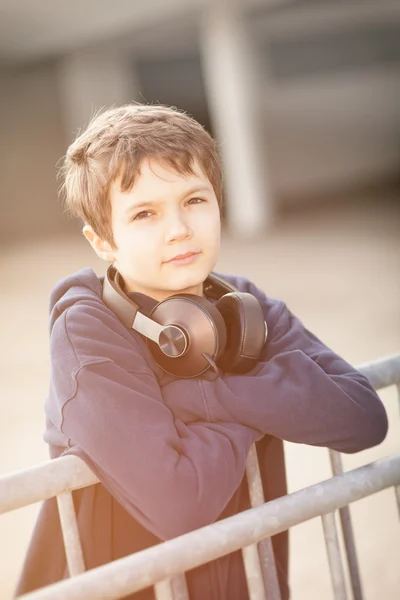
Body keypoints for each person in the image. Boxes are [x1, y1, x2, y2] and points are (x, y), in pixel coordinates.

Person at [15, 104, 388, 600]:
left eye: (194, 200)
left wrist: (202, 401)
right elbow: (180, 503)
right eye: (145, 213)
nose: (179, 229)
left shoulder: (243, 310)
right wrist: (269, 404)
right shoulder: (86, 333)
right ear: (102, 241)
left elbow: (363, 417)